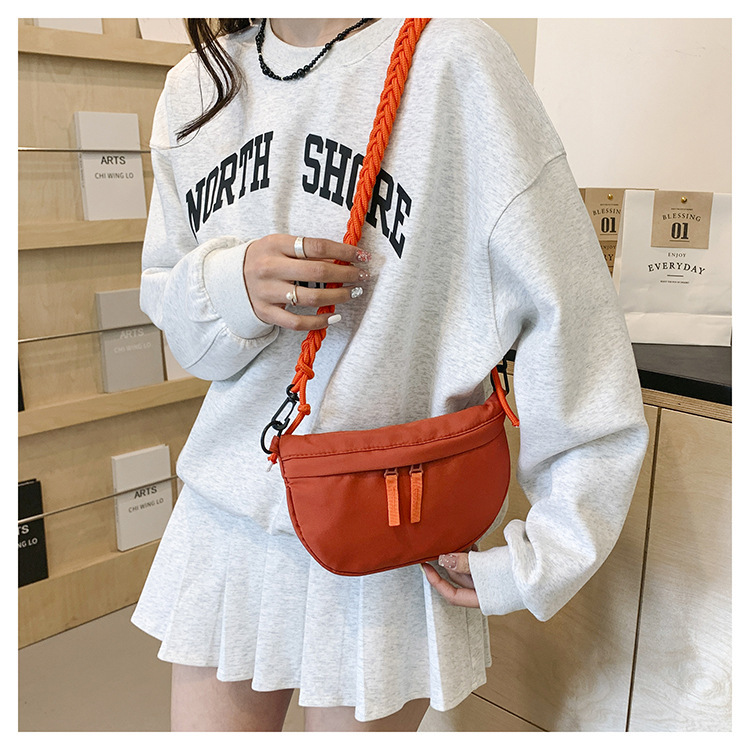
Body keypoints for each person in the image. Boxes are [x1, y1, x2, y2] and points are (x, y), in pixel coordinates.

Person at [130, 17, 650, 732]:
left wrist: (552, 549)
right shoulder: (198, 85)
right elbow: (183, 330)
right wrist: (230, 285)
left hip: (386, 527)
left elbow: (574, 319)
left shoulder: (453, 62)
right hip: (226, 525)